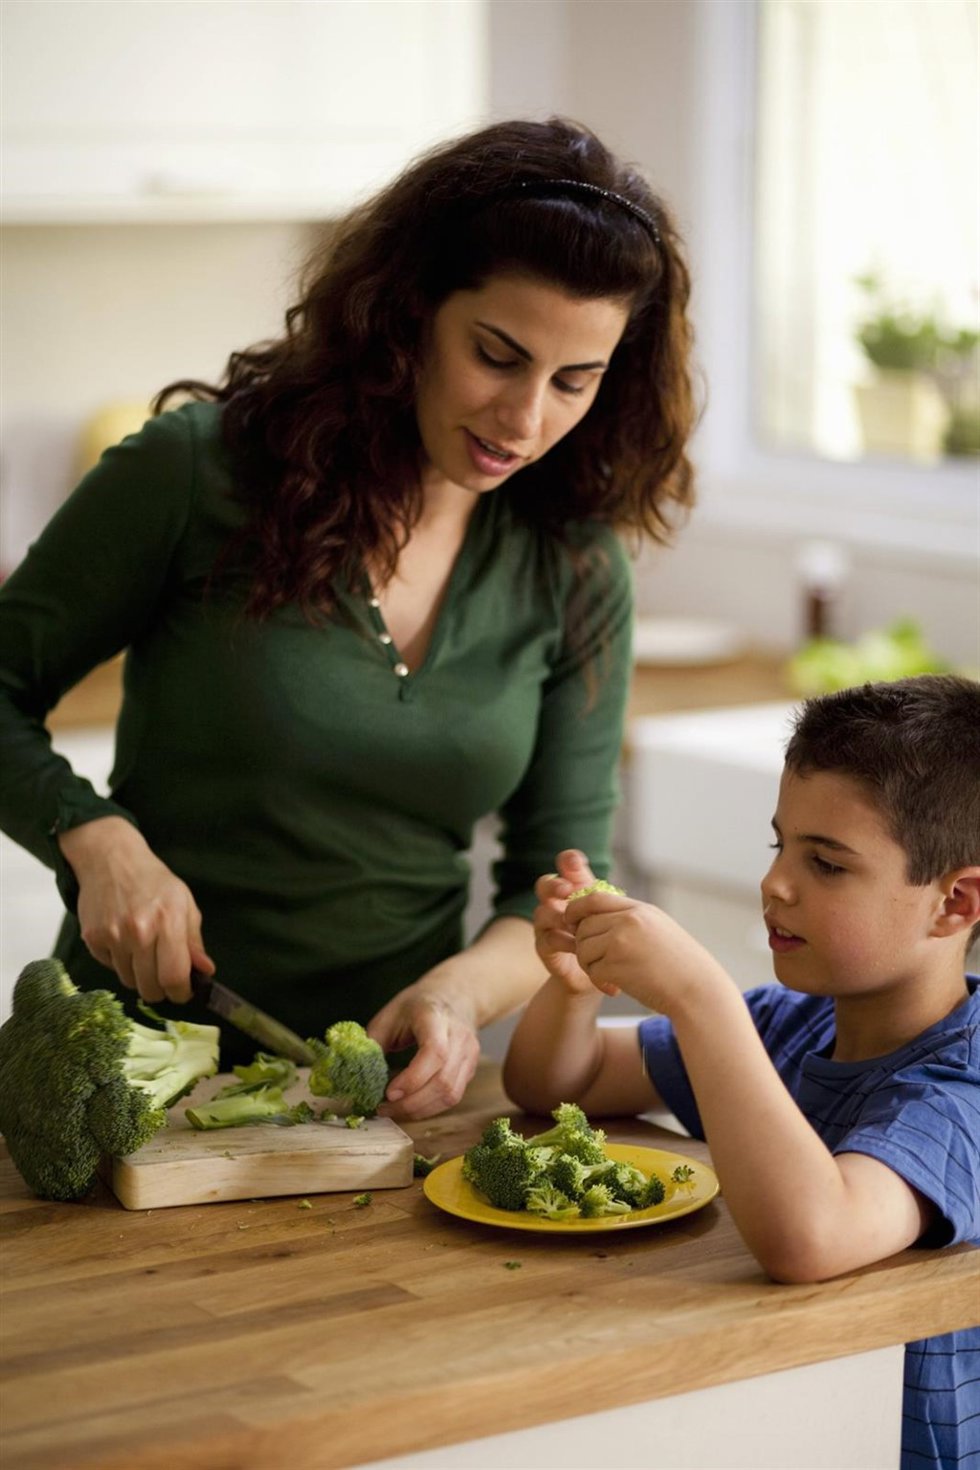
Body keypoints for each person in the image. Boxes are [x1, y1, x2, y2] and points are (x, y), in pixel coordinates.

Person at [0, 117, 698, 1119]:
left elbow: (555, 879)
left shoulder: (573, 567)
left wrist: (455, 997)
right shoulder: (198, 472)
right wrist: (95, 837)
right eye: (496, 356)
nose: (524, 418)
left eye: (572, 381)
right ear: (407, 313)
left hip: (375, 1109)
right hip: (123, 1083)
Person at [505, 674, 980, 1470]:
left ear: (956, 903)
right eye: (779, 844)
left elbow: (813, 1237)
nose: (775, 884)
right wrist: (575, 987)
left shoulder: (964, 1084)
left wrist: (700, 997)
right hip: (779, 1424)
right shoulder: (793, 1022)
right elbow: (563, 1085)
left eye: (826, 864)